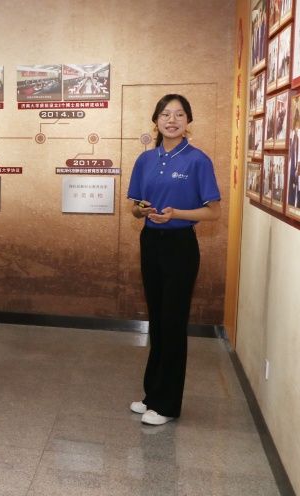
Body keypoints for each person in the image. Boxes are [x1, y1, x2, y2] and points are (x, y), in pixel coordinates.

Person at [127, 94, 220, 426]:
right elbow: (134, 207)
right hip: (151, 241)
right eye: (165, 114)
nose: (172, 120)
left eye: (179, 115)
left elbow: (214, 212)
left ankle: (167, 405)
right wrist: (142, 210)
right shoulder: (145, 159)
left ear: (188, 121)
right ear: (156, 121)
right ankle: (152, 395)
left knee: (173, 322)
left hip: (180, 246)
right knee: (157, 320)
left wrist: (177, 213)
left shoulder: (198, 160)